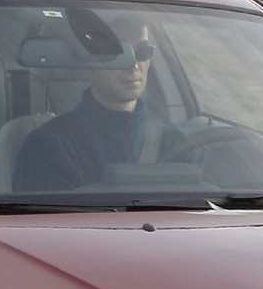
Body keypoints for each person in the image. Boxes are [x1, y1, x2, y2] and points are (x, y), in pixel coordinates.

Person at [13, 20, 177, 194]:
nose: (134, 65)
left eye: (143, 51)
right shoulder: (48, 147)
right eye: (117, 52)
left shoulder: (176, 141)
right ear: (88, 59)